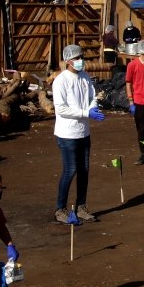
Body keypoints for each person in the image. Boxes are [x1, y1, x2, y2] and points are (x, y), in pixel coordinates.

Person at [52, 44, 105, 224]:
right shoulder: (61, 81)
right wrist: (85, 113)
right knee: (70, 169)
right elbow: (61, 109)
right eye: (76, 58)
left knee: (84, 170)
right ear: (68, 61)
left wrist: (93, 107)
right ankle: (60, 209)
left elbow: (92, 97)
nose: (80, 61)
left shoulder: (85, 77)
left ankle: (81, 206)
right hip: (67, 133)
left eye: (81, 57)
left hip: (84, 132)